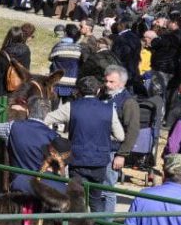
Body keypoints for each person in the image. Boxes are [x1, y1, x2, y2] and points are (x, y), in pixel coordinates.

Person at [44, 76, 125, 217]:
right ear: (98, 90)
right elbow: (120, 136)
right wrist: (105, 136)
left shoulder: (71, 107)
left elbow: (46, 119)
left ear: (78, 91)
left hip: (78, 160)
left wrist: (55, 136)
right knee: (96, 199)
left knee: (76, 199)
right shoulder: (108, 109)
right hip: (99, 161)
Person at [102, 65, 141, 219]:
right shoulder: (103, 96)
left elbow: (132, 131)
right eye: (106, 81)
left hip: (113, 151)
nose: (107, 85)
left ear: (122, 83)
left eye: (112, 82)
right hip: (98, 148)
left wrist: (122, 154)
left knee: (107, 189)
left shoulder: (128, 102)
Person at [0, 26, 31, 104]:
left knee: (0, 115)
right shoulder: (26, 51)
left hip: (1, 92)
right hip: (18, 92)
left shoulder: (3, 52)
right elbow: (26, 71)